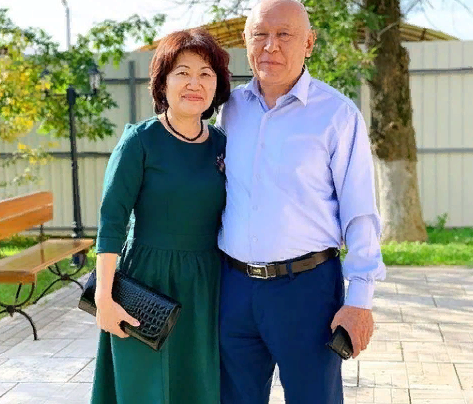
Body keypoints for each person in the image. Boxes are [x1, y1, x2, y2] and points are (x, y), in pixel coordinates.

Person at [217, 0, 386, 403]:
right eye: (260, 34)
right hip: (233, 288)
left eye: (284, 35)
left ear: (309, 43)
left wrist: (360, 301)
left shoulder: (337, 115)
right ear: (245, 41)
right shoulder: (228, 109)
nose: (270, 46)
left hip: (307, 291)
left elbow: (360, 215)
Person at [91, 28, 231, 404]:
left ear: (217, 85)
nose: (194, 83)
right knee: (143, 388)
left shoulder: (224, 144)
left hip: (207, 282)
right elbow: (111, 221)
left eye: (205, 73)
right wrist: (104, 296)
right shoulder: (139, 141)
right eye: (182, 72)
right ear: (163, 82)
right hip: (146, 280)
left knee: (197, 385)